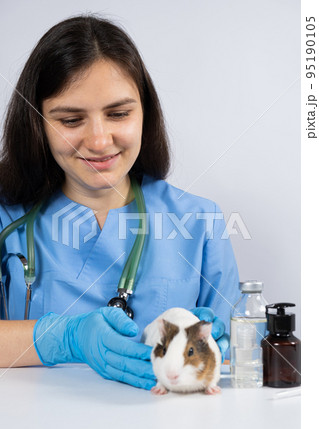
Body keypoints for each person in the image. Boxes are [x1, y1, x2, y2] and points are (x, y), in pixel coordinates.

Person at [0, 15, 240, 390]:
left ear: (145, 113)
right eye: (71, 119)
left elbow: (234, 359)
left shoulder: (199, 221)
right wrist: (65, 338)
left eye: (119, 114)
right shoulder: (8, 220)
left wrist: (228, 347)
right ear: (38, 124)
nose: (99, 140)